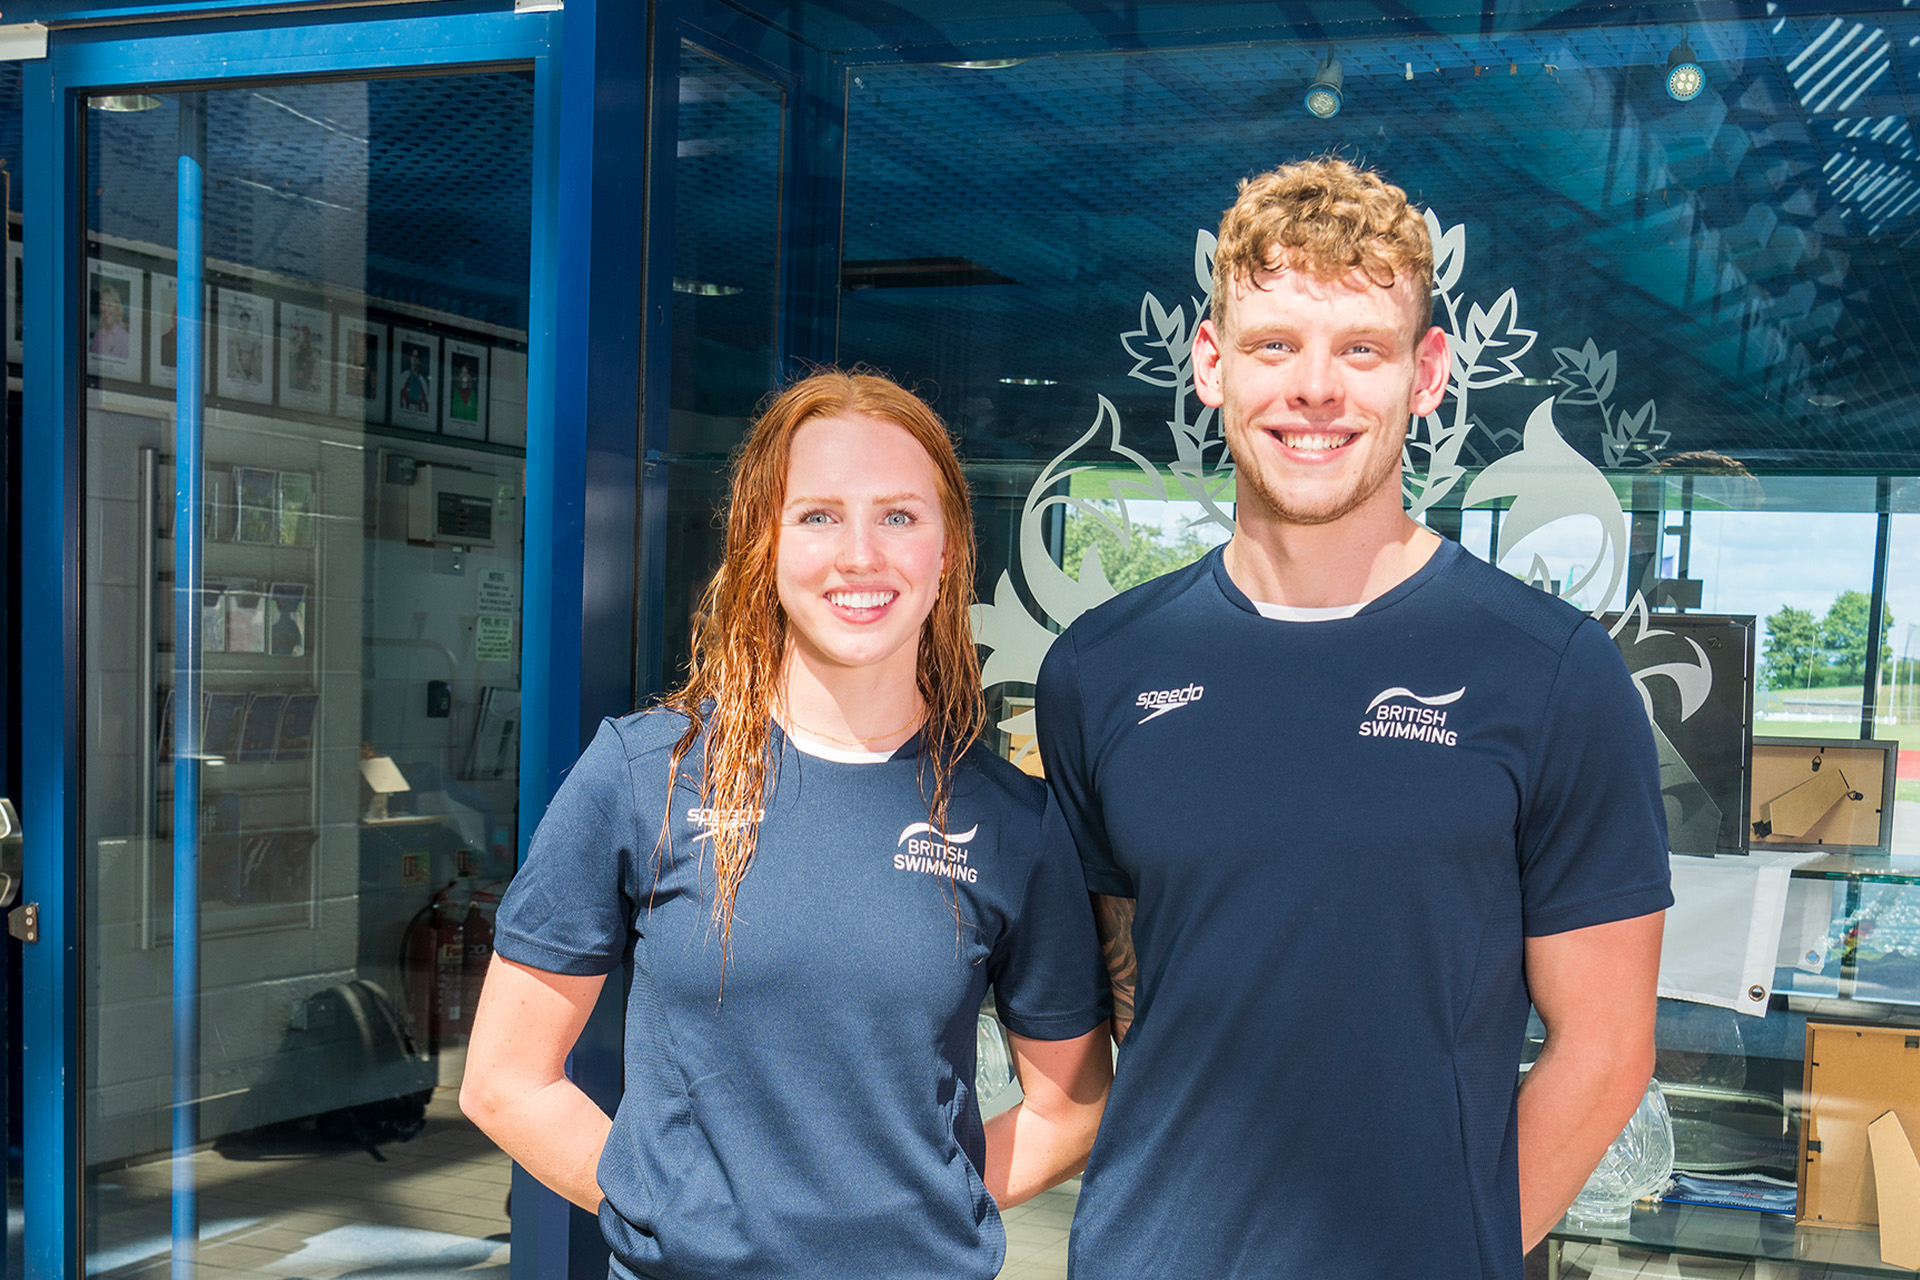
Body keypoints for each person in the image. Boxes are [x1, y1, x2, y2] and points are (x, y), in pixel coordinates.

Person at [1035, 157, 1672, 1279]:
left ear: (1426, 373)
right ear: (1211, 364)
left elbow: (1607, 1048)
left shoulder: (1551, 674)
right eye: (1275, 344)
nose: (1315, 389)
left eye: (1361, 349)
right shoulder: (1102, 668)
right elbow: (1128, 996)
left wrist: (1448, 1249)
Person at [463, 370, 1113, 1280]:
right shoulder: (644, 775)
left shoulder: (1010, 821)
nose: (860, 555)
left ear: (948, 549)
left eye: (898, 516)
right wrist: (667, 1212)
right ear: (761, 543)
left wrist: (926, 1208)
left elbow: (1069, 1107)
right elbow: (504, 1079)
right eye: (817, 516)